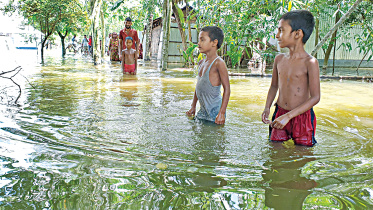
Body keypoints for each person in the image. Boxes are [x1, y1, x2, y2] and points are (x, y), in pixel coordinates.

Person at [261, 10, 320, 146]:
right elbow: (274, 86)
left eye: (281, 30)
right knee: (275, 150)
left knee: (302, 153)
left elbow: (315, 97)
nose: (277, 36)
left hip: (302, 117)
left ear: (297, 34)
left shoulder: (310, 62)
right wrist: (267, 107)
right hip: (280, 112)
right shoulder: (279, 59)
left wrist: (288, 116)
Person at [186, 26, 230, 125]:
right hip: (202, 113)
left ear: (214, 43)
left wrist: (222, 113)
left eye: (202, 40)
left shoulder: (219, 63)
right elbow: (199, 86)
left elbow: (227, 89)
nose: (198, 43)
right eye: (199, 40)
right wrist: (193, 106)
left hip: (215, 114)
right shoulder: (202, 62)